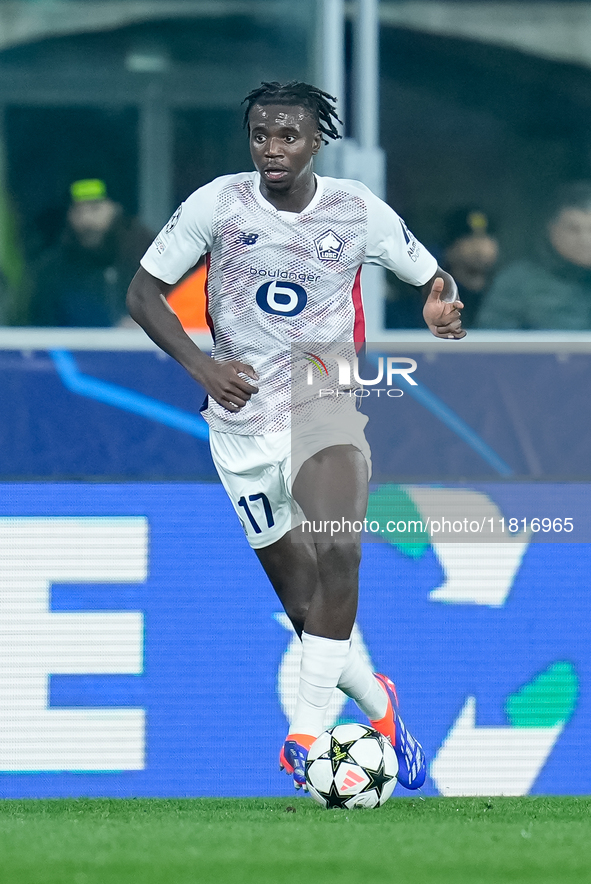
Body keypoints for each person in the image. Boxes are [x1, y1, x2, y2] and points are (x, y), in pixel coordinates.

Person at [127, 81, 465, 791]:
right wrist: (202, 365)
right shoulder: (217, 204)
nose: (271, 149)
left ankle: (303, 736)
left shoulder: (355, 210)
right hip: (240, 426)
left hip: (324, 405)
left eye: (287, 136)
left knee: (340, 545)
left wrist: (437, 301)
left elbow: (428, 272)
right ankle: (380, 705)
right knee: (306, 608)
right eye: (260, 135)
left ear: (316, 141)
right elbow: (141, 292)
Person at [28, 179, 153, 327]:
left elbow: (179, 309)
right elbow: (40, 331)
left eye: (95, 208)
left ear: (117, 208)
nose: (86, 220)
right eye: (78, 210)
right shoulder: (51, 272)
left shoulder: (151, 259)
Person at [477, 181, 591, 329]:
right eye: (573, 229)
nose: (585, 240)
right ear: (552, 230)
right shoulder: (517, 281)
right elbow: (491, 345)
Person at [440, 207, 499, 328]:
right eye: (469, 238)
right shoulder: (434, 296)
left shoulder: (506, 295)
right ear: (450, 248)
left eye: (485, 237)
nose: (480, 247)